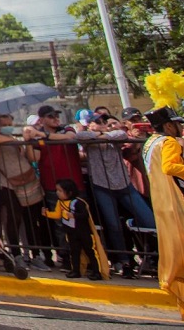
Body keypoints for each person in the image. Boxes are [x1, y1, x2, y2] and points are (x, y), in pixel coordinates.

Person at [76, 112, 155, 278]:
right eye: (98, 121)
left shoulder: (115, 136)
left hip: (124, 185)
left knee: (149, 220)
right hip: (102, 186)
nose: (104, 123)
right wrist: (100, 135)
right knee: (113, 226)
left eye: (106, 121)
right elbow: (81, 136)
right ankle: (124, 261)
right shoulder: (89, 138)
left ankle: (158, 255)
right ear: (90, 125)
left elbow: (120, 134)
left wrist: (101, 135)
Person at [0, 113, 50, 271]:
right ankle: (16, 254)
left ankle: (36, 254)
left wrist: (27, 142)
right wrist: (16, 139)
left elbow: (32, 157)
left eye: (10, 122)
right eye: (5, 123)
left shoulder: (18, 138)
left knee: (31, 219)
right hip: (8, 183)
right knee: (14, 219)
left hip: (27, 180)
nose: (8, 125)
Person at [23, 104, 82, 269]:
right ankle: (66, 256)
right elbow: (34, 157)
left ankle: (84, 255)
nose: (55, 119)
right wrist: (28, 142)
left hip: (75, 184)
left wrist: (43, 134)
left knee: (81, 221)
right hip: (53, 186)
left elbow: (70, 137)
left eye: (56, 115)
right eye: (51, 116)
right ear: (41, 119)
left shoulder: (66, 129)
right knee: (60, 224)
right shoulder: (38, 138)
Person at [141, 104, 184, 317]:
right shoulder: (169, 142)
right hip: (176, 202)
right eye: (177, 124)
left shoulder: (150, 142)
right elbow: (170, 167)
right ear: (168, 126)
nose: (180, 129)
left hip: (161, 205)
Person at [42, 179, 104, 280]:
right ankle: (75, 271)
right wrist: (47, 214)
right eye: (57, 190)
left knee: (90, 252)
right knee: (74, 252)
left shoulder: (78, 202)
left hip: (83, 232)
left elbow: (85, 215)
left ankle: (97, 272)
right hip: (71, 233)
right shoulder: (60, 203)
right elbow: (57, 214)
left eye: (60, 191)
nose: (57, 192)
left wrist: (74, 215)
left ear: (69, 192)